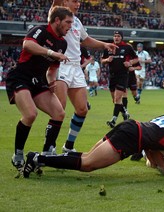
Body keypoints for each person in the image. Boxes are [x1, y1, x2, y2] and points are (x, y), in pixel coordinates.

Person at [22, 114, 164, 178]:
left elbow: (154, 141)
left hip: (131, 126)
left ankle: (40, 159)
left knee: (87, 157)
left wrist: (161, 164)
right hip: (132, 138)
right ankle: (38, 158)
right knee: (88, 165)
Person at [6, 6, 72, 171]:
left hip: (39, 81)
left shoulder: (62, 43)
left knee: (59, 113)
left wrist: (51, 81)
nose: (70, 26)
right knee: (30, 114)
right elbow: (27, 45)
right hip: (20, 77)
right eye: (68, 22)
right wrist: (52, 53)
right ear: (57, 20)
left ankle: (47, 152)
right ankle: (18, 154)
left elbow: (52, 69)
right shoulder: (40, 30)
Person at [51, 0, 118, 154]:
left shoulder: (77, 21)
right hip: (61, 65)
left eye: (79, 1)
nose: (78, 4)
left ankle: (68, 146)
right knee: (59, 109)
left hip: (76, 68)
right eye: (74, 1)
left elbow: (86, 40)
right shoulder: (56, 15)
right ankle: (50, 146)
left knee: (82, 109)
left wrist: (104, 45)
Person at [101, 31, 139, 128]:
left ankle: (113, 120)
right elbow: (102, 60)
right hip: (112, 76)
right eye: (115, 36)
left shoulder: (127, 47)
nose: (116, 38)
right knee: (115, 100)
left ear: (121, 37)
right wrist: (107, 60)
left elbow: (136, 59)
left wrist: (129, 62)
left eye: (118, 36)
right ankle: (125, 113)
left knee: (118, 98)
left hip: (123, 75)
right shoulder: (109, 47)